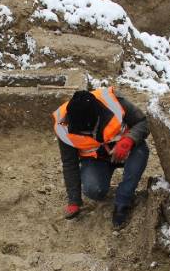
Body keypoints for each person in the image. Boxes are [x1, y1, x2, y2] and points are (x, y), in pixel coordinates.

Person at [52, 88, 149, 229]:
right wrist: (74, 201)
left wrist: (129, 140)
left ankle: (123, 201)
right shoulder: (63, 125)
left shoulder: (114, 101)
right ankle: (104, 177)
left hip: (127, 149)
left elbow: (143, 122)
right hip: (97, 159)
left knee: (141, 153)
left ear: (97, 118)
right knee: (93, 190)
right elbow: (69, 164)